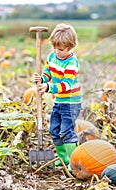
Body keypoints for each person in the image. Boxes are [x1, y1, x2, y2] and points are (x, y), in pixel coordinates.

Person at [32, 23, 82, 168]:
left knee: (66, 131)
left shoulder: (72, 63)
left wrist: (48, 87)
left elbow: (66, 85)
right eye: (54, 47)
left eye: (60, 49)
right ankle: (63, 160)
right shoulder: (52, 56)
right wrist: (42, 79)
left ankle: (74, 162)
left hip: (71, 102)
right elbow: (48, 72)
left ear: (70, 47)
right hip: (59, 101)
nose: (56, 51)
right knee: (54, 131)